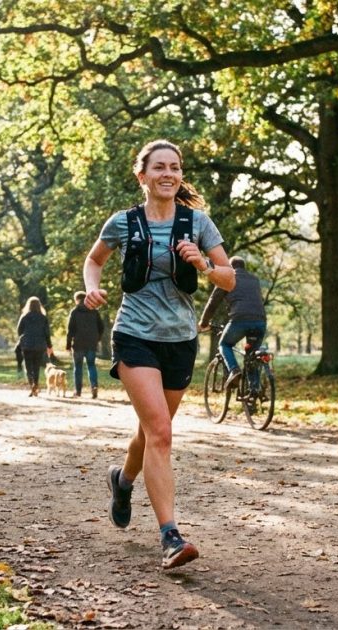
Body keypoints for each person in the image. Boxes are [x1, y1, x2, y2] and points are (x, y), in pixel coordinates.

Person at [83, 139, 235, 569]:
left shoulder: (198, 223)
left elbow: (229, 280)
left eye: (175, 167)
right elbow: (94, 260)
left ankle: (123, 479)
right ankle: (171, 536)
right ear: (143, 176)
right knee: (162, 433)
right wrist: (93, 287)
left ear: (180, 175)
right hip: (134, 334)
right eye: (159, 167)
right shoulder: (124, 223)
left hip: (180, 340)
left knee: (152, 431)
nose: (168, 173)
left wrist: (204, 266)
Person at [198, 256, 267, 388]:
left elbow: (212, 303)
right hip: (260, 321)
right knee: (252, 355)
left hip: (239, 319)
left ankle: (234, 370)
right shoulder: (255, 280)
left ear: (230, 267)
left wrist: (203, 322)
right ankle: (254, 391)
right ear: (244, 267)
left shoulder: (227, 278)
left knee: (224, 344)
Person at [66, 291, 105, 398]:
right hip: (91, 343)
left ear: (76, 300)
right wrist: (97, 339)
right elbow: (101, 327)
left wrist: (68, 345)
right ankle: (94, 386)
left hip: (78, 343)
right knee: (91, 365)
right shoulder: (94, 311)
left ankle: (78, 391)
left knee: (78, 367)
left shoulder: (74, 312)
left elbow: (70, 330)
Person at [16, 296, 53, 397]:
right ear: (39, 306)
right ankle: (36, 385)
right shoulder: (43, 318)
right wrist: (49, 346)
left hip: (27, 345)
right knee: (36, 367)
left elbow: (19, 330)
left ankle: (32, 384)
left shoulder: (24, 317)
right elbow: (47, 334)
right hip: (39, 345)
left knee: (28, 367)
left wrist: (24, 338)